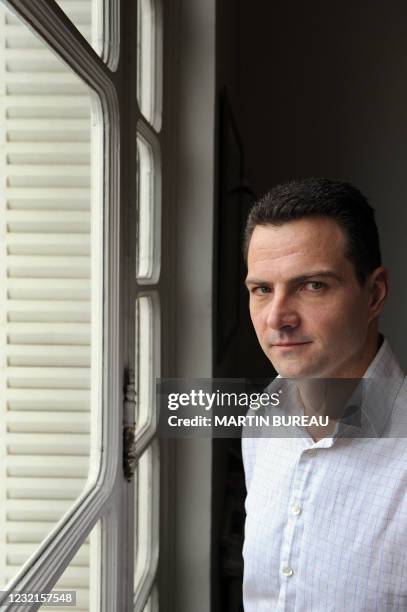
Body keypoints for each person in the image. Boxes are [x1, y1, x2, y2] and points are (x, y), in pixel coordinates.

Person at [241, 178, 407, 611]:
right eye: (261, 289)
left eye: (312, 286)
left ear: (374, 294)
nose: (278, 318)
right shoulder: (262, 419)